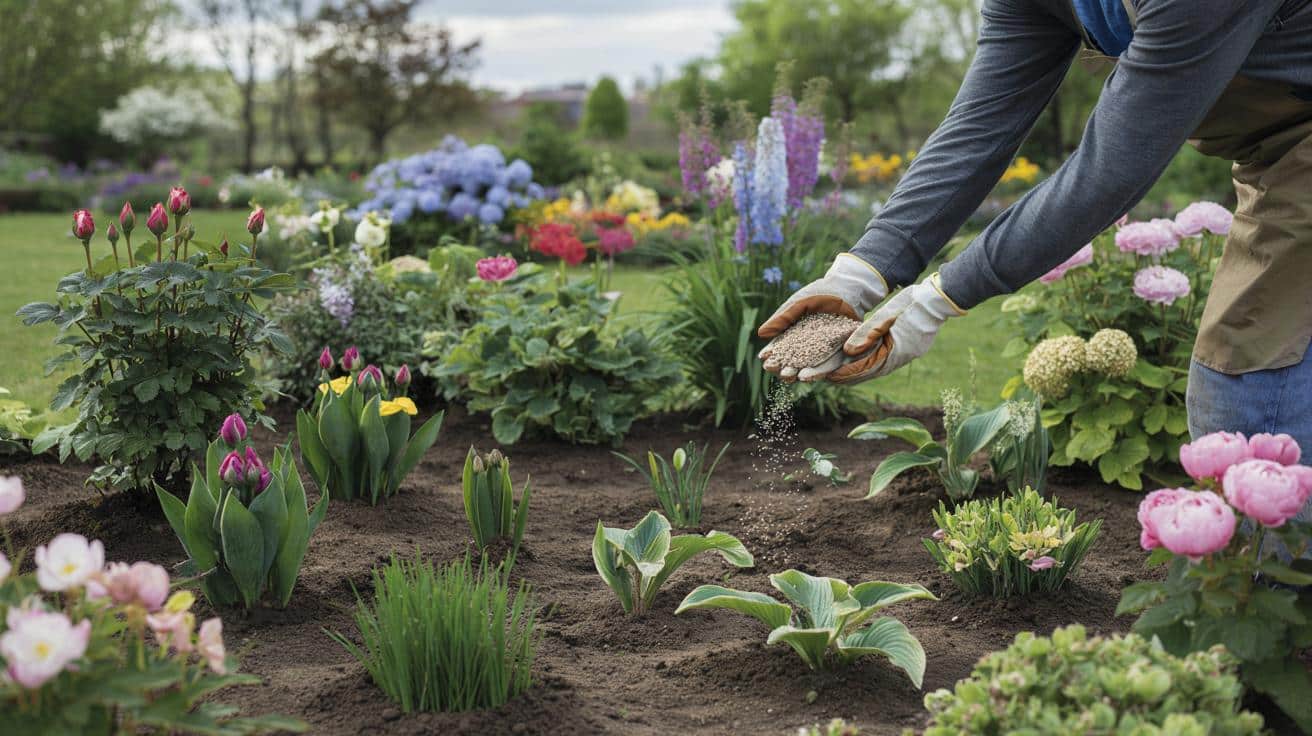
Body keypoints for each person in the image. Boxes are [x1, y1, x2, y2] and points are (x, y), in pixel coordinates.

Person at [758, 0, 1312, 451]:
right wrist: (860, 272)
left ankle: (1262, 583)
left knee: (1247, 398)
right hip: (1276, 156)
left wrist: (936, 300)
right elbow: (980, 126)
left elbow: (1110, 168)